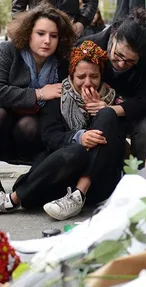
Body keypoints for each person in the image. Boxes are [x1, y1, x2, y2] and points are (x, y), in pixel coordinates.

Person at [1, 41, 127, 220]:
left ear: (101, 76)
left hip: (97, 182)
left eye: (94, 76)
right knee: (76, 150)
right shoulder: (58, 97)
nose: (88, 82)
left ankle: (78, 194)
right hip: (62, 173)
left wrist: (100, 111)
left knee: (107, 115)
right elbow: (50, 137)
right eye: (81, 76)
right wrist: (79, 137)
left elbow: (118, 140)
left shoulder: (113, 99)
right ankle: (14, 199)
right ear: (72, 75)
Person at [0, 3, 75, 204]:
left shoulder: (62, 62)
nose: (47, 41)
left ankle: (28, 185)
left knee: (30, 125)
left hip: (33, 134)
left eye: (53, 36)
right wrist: (39, 93)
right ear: (28, 33)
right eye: (40, 33)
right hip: (3, 129)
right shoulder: (7, 52)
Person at [75, 7, 146, 169]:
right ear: (114, 37)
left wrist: (110, 109)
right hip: (86, 111)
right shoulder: (88, 46)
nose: (122, 64)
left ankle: (136, 169)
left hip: (126, 110)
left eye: (131, 61)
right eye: (118, 55)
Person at [11, 0, 98, 37]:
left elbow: (91, 1)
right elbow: (17, 9)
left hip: (69, 32)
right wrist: (26, 30)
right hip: (39, 31)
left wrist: (81, 23)